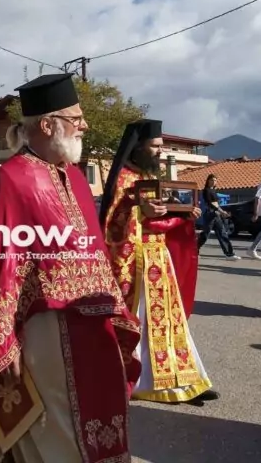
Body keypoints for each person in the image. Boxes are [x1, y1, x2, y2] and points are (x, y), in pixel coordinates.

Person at [0, 73, 141, 463]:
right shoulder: (10, 180)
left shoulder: (77, 178)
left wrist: (117, 312)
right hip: (48, 329)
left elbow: (96, 253)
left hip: (96, 326)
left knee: (103, 416)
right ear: (48, 125)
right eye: (76, 118)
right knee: (57, 428)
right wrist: (3, 342)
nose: (84, 125)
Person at [99, 119, 217, 406]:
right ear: (139, 147)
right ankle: (146, 382)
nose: (160, 152)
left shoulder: (149, 177)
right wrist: (139, 209)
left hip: (158, 260)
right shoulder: (124, 178)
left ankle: (184, 377)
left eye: (161, 147)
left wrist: (183, 215)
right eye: (155, 146)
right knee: (146, 324)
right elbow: (112, 225)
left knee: (171, 322)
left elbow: (159, 219)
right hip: (137, 266)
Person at [197, 174, 240, 260]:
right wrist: (221, 211)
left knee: (222, 233)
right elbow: (210, 204)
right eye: (212, 180)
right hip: (209, 214)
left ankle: (229, 254)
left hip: (216, 214)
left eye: (215, 180)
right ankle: (194, 249)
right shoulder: (206, 191)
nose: (214, 182)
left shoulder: (214, 191)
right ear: (208, 181)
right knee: (205, 234)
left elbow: (216, 204)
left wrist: (221, 212)